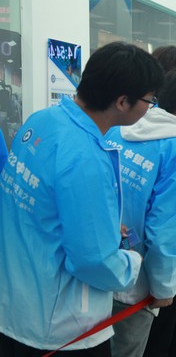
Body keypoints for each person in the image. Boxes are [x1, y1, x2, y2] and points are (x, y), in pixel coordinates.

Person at [0, 42, 164, 356]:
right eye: (149, 100)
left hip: (15, 305)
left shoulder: (42, 120)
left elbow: (45, 210)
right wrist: (133, 264)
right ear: (122, 101)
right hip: (61, 326)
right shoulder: (86, 157)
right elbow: (93, 261)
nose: (150, 108)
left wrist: (101, 229)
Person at [107, 67, 176, 357]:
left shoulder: (120, 132)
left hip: (99, 267)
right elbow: (165, 231)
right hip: (136, 281)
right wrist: (163, 287)